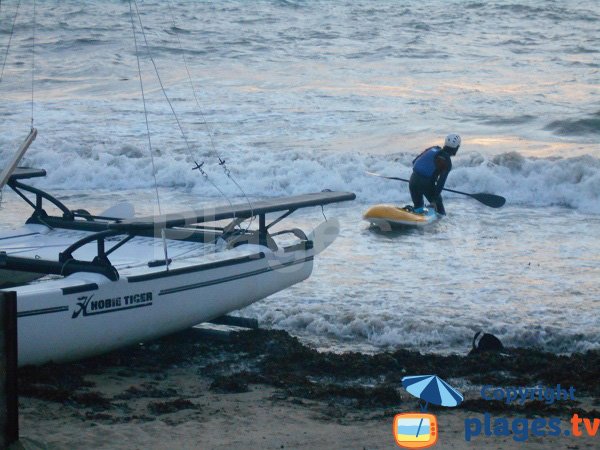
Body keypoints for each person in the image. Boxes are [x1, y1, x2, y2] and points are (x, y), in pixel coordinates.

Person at [408, 133, 461, 215]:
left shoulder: (433, 148)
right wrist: (434, 200)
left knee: (418, 208)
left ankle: (414, 224)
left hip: (413, 179)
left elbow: (414, 161)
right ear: (456, 148)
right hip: (426, 184)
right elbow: (441, 183)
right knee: (441, 213)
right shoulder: (447, 161)